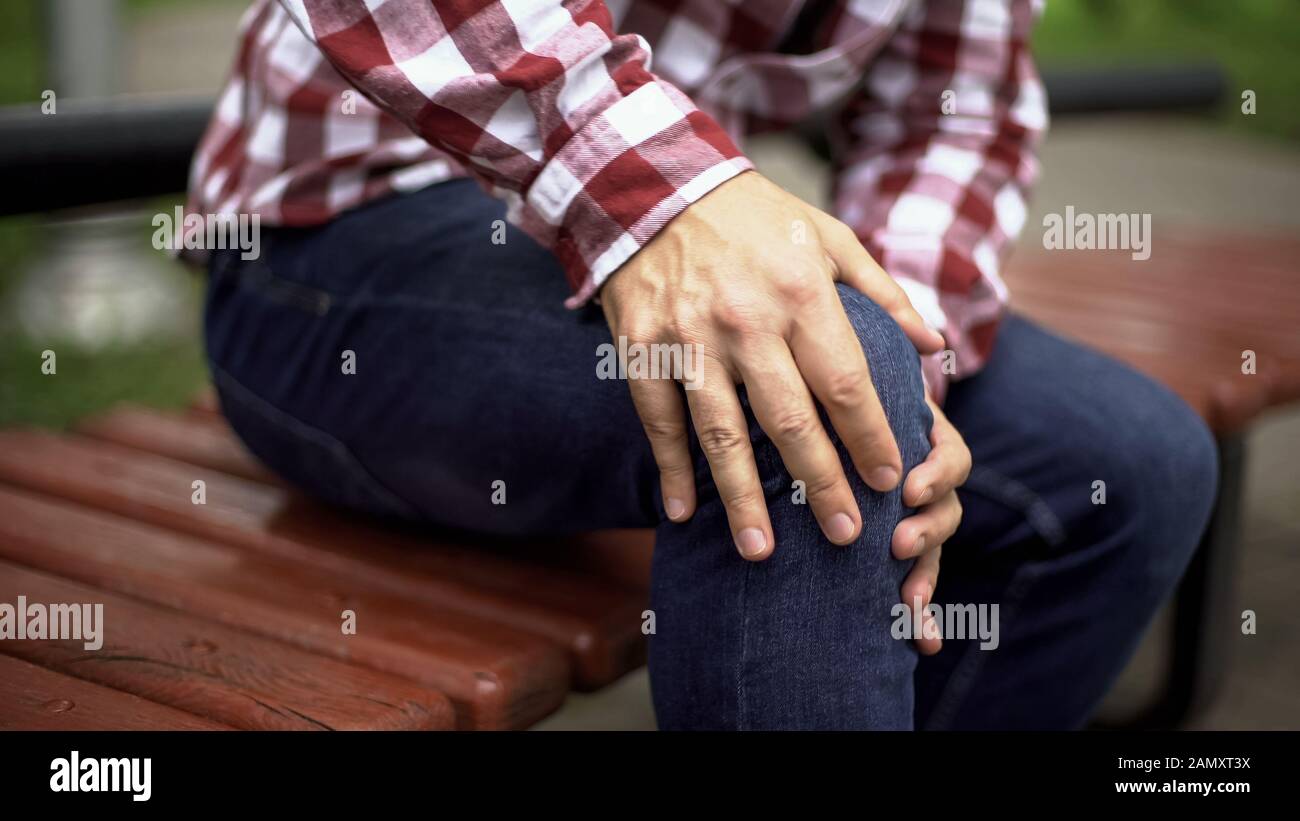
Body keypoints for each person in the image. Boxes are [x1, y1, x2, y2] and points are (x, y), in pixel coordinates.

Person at [188, 0, 1218, 729]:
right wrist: (653, 198)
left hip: (637, 203)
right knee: (797, 401)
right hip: (339, 245)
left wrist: (905, 362)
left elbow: (948, 115)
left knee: (1134, 463)